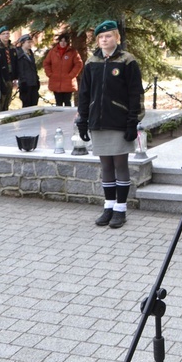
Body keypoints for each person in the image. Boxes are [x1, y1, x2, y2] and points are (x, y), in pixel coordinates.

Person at [77, 20, 144, 229]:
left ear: (117, 38)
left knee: (120, 165)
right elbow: (84, 93)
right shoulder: (91, 62)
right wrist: (83, 119)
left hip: (120, 121)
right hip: (98, 121)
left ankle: (121, 209)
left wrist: (133, 121)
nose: (105, 40)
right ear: (97, 40)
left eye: (108, 36)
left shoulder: (127, 61)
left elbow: (135, 93)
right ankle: (109, 206)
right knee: (105, 165)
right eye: (101, 37)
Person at [43, 33, 83, 106]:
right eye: (61, 41)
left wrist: (71, 75)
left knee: (67, 101)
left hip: (68, 81)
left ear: (67, 42)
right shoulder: (53, 52)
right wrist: (50, 74)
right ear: (59, 42)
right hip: (55, 81)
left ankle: (69, 117)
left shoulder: (73, 52)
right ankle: (58, 117)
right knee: (58, 102)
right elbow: (46, 63)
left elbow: (78, 64)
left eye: (65, 41)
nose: (63, 43)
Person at [0, 26, 18, 111]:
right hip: (1, 77)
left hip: (10, 77)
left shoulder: (12, 48)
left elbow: (15, 63)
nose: (6, 35)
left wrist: (15, 77)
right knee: (0, 101)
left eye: (7, 33)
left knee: (7, 100)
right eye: (3, 34)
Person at [16, 34, 40, 107]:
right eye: (28, 42)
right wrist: (22, 81)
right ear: (23, 43)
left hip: (33, 81)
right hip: (25, 82)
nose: (30, 44)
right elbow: (20, 69)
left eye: (31, 42)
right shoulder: (19, 54)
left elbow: (33, 68)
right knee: (26, 103)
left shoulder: (30, 53)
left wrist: (36, 79)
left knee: (34, 102)